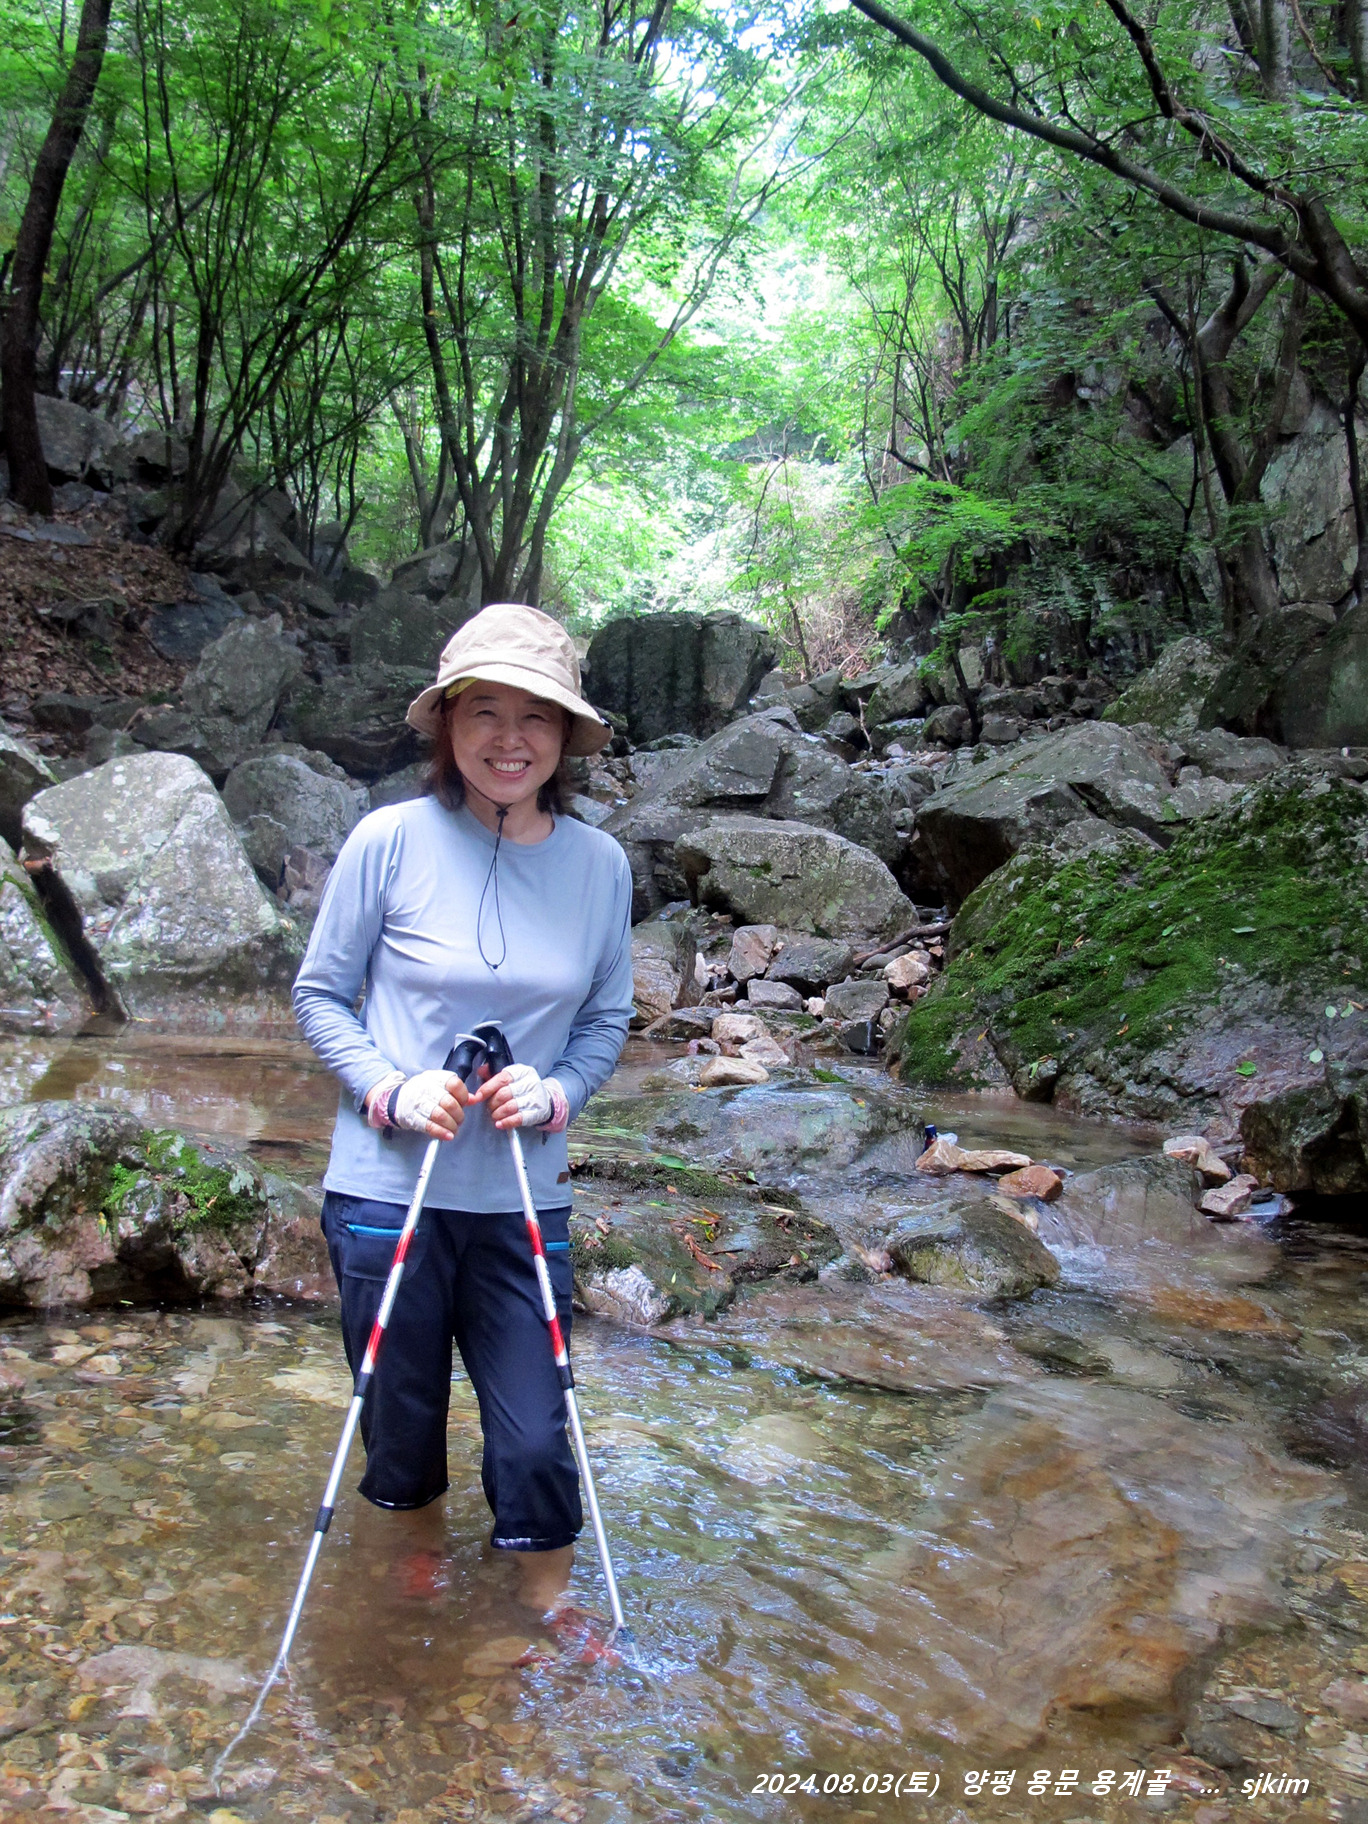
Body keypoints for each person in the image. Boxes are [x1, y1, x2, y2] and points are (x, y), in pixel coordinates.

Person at [292, 601, 634, 1620]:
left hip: (522, 1201)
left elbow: (606, 1020)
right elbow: (320, 996)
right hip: (384, 1194)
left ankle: (549, 1618)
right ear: (446, 723)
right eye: (485, 710)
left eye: (536, 715)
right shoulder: (387, 841)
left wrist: (559, 1090)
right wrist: (390, 1087)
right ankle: (415, 1599)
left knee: (534, 1438)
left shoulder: (601, 866)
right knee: (401, 1430)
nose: (509, 738)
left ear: (565, 735)